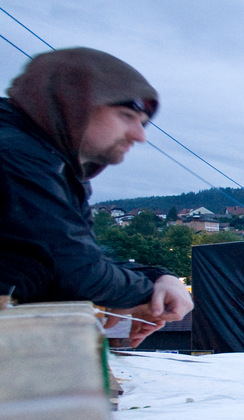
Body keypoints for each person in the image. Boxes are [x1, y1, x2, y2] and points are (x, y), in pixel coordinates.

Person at [0, 47, 191, 345]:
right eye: (126, 116)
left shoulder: (52, 163)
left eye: (142, 122)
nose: (140, 136)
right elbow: (75, 270)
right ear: (73, 104)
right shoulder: (16, 155)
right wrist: (147, 292)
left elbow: (80, 256)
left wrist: (156, 278)